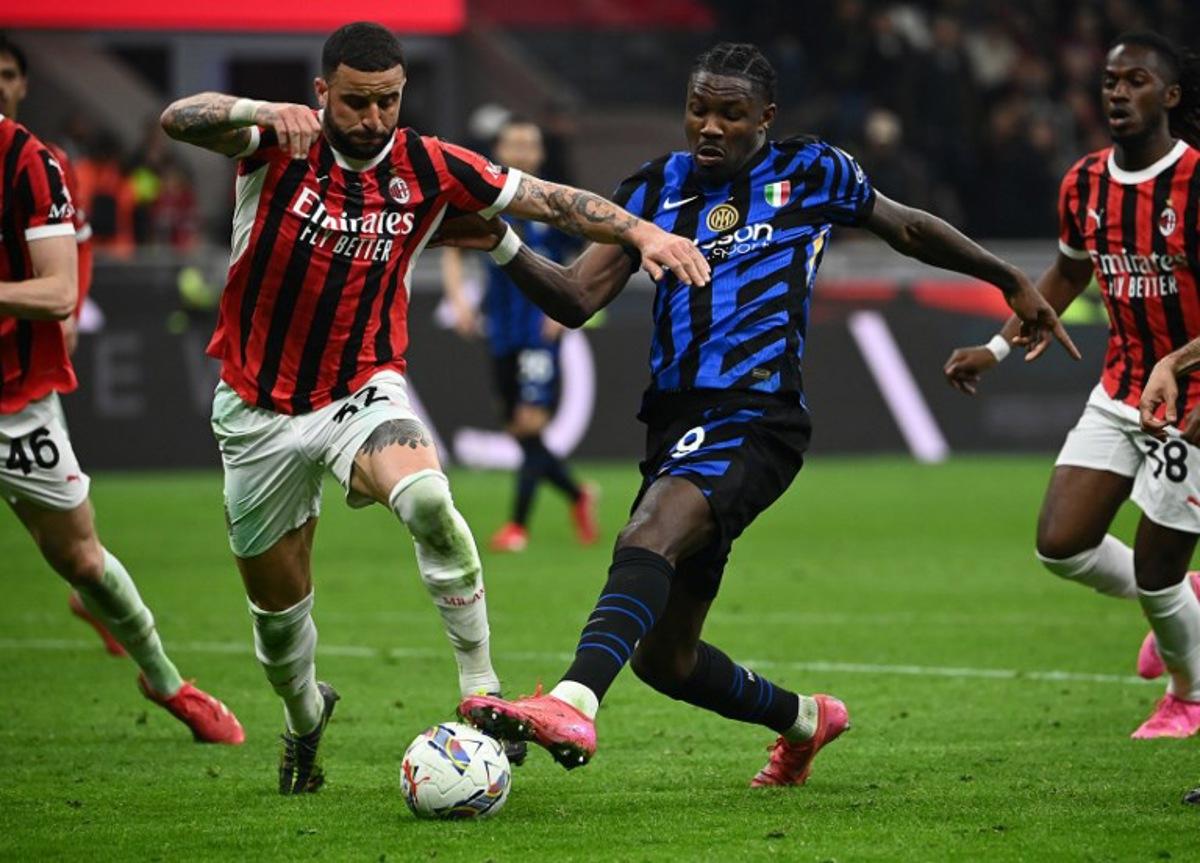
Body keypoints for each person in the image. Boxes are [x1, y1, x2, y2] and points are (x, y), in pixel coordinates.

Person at [444, 42, 1075, 784]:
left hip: (758, 413)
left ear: (765, 118)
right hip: (676, 421)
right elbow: (578, 298)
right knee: (666, 659)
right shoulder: (651, 192)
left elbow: (904, 226)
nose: (709, 126)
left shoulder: (810, 171)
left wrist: (1006, 277)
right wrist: (503, 239)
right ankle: (806, 720)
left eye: (730, 114)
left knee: (646, 530)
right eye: (697, 109)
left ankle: (573, 699)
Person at [160, 21, 710, 794]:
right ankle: (303, 718)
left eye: (387, 101)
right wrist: (253, 108)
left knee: (430, 501)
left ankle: (480, 692)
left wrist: (642, 231)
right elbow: (177, 118)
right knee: (279, 629)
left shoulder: (427, 164)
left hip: (361, 387)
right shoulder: (276, 142)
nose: (372, 119)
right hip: (255, 408)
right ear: (323, 94)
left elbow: (553, 201)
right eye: (355, 102)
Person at [945, 32, 1200, 739]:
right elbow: (1068, 271)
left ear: (1170, 96)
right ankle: (1187, 599)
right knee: (1061, 545)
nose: (1117, 92)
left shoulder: (1196, 183)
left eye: (1137, 80)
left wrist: (1178, 364)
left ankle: (1189, 694)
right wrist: (996, 348)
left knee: (1156, 570)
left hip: (1197, 405)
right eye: (1111, 81)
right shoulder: (1085, 181)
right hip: (1121, 387)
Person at [0, 111, 244, 744]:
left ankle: (167, 683)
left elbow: (58, 290)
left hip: (13, 401)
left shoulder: (27, 160)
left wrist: (67, 313)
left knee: (82, 557)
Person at [0, 34, 127, 657]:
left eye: (7, 74)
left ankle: (93, 591)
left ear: (24, 84)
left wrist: (70, 310)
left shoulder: (41, 162)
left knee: (75, 532)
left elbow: (76, 249)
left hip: (20, 372)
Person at [440, 116, 598, 553]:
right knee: (521, 431)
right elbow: (453, 246)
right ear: (500, 149)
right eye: (515, 143)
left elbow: (589, 246)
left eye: (530, 143)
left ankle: (517, 527)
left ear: (541, 153)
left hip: (537, 330)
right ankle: (577, 494)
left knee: (530, 421)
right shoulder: (486, 201)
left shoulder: (556, 205)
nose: (523, 151)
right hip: (501, 329)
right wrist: (458, 299)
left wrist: (567, 306)